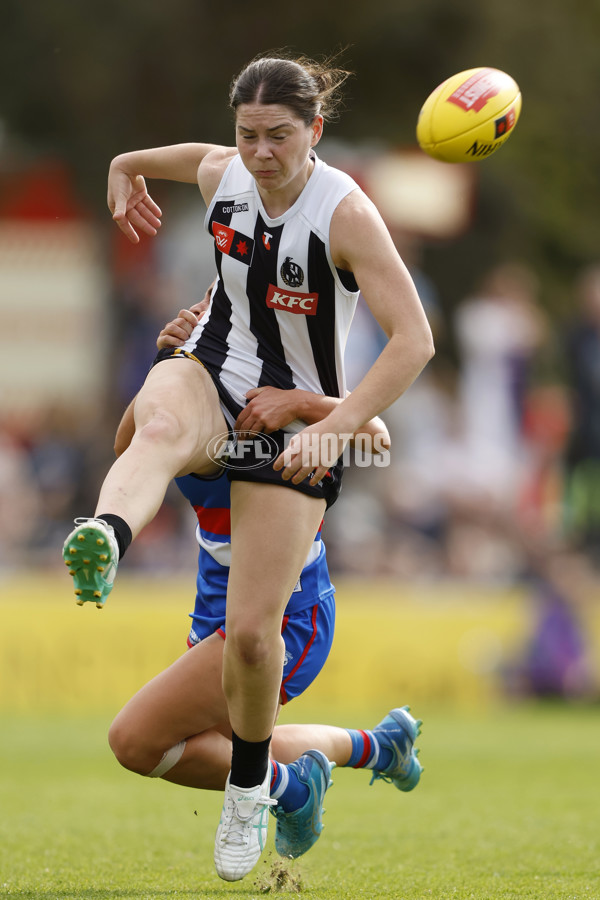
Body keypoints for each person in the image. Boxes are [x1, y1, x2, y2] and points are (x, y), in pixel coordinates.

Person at [63, 53, 434, 881]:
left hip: (290, 438)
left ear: (315, 132)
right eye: (247, 135)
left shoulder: (346, 213)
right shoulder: (224, 170)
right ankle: (105, 534)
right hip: (216, 368)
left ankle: (255, 788)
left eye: (279, 136)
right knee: (151, 428)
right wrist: (123, 166)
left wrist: (335, 423)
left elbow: (414, 341)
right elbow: (191, 156)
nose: (260, 154)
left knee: (242, 656)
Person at [107, 300, 423, 866]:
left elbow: (375, 434)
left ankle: (290, 791)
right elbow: (128, 449)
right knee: (230, 746)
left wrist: (301, 402)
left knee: (136, 740)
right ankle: (376, 746)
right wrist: (166, 366)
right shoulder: (200, 393)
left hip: (284, 620)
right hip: (215, 618)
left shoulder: (280, 395)